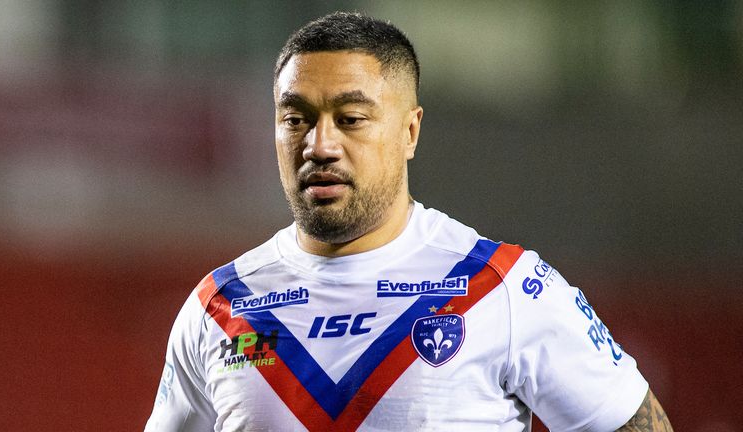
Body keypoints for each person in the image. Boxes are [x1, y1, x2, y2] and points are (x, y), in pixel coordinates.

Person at [145, 11, 672, 432]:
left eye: (350, 119)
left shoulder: (506, 289)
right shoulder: (217, 308)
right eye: (295, 119)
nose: (319, 145)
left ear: (410, 132)